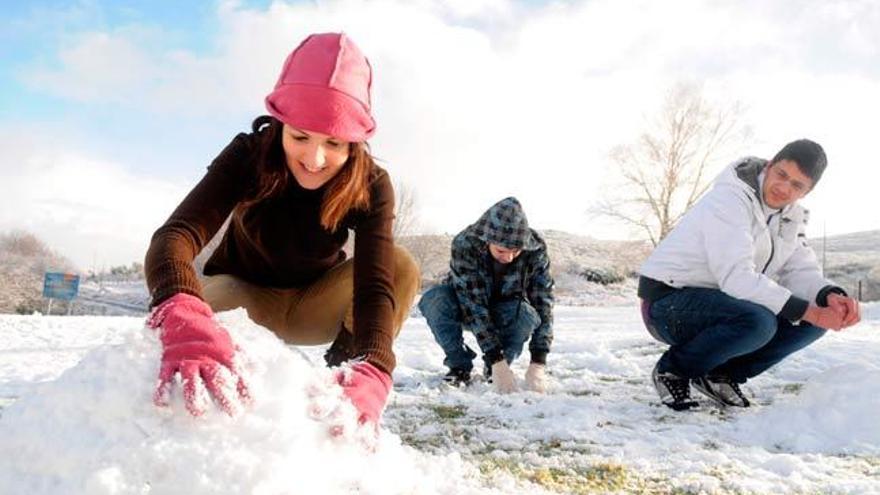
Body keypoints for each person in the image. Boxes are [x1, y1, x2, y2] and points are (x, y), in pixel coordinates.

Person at [144, 33, 421, 425]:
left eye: (335, 143)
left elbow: (375, 285)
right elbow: (177, 234)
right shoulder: (249, 155)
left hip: (313, 302)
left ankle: (340, 378)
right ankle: (206, 386)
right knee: (207, 301)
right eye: (300, 136)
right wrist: (180, 305)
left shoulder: (372, 183)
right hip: (243, 301)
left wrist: (375, 364)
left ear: (355, 144)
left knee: (401, 263)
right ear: (280, 125)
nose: (315, 157)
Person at [638, 139, 861, 411]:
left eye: (797, 185)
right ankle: (673, 370)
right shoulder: (730, 199)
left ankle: (721, 374)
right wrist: (809, 310)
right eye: (781, 175)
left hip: (723, 302)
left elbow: (799, 269)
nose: (784, 188)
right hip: (668, 301)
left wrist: (829, 297)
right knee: (759, 321)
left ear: (807, 191)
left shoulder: (791, 218)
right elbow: (737, 277)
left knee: (812, 321)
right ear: (769, 166)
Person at [419, 197, 554, 393]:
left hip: (506, 309)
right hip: (465, 307)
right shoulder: (465, 244)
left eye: (515, 251)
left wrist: (538, 362)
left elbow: (544, 303)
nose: (508, 258)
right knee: (435, 300)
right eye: (501, 250)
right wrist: (495, 358)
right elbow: (473, 305)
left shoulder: (536, 249)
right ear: (487, 239)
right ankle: (459, 366)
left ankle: (496, 371)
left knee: (527, 314)